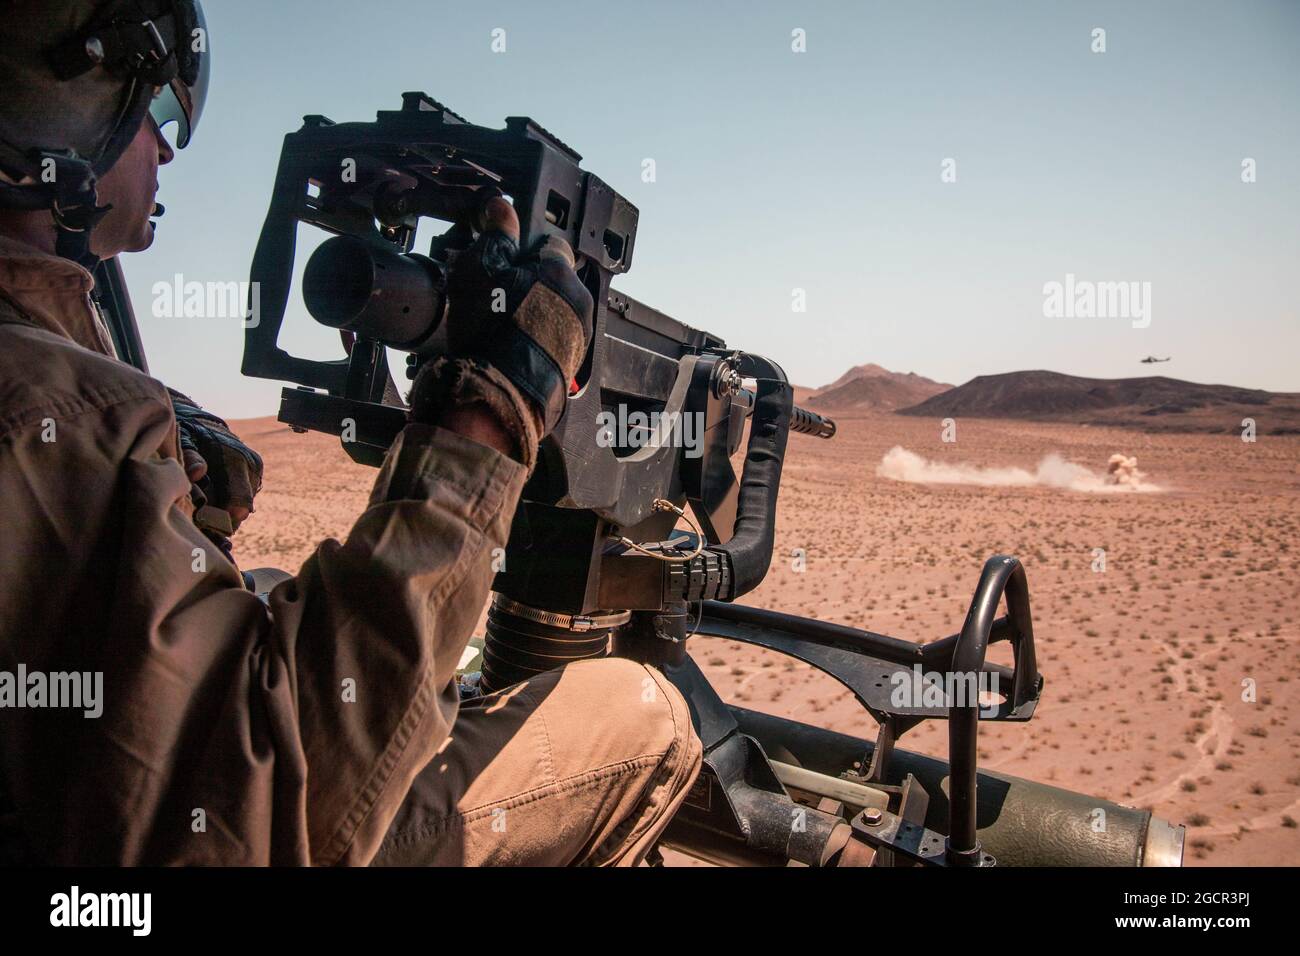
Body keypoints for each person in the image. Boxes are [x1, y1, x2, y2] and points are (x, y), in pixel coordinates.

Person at [0, 0, 701, 866]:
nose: (168, 147)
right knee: (644, 715)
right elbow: (249, 822)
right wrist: (490, 415)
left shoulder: (52, 361)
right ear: (60, 105)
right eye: (160, 111)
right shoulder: (53, 409)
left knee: (260, 584)